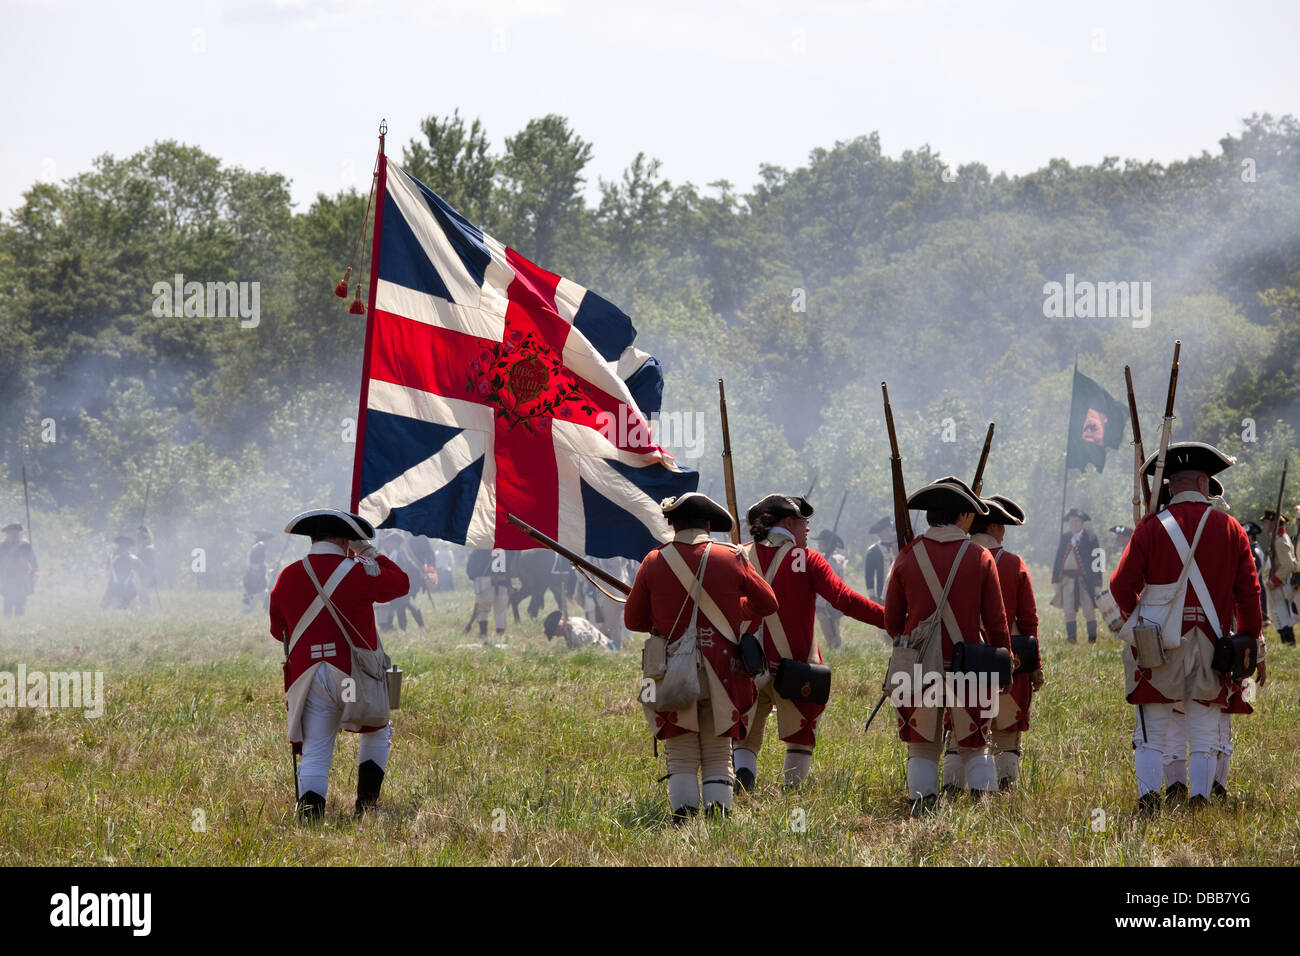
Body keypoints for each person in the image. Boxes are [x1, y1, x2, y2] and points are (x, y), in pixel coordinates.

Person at [1109, 442, 1262, 814]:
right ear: (1203, 482)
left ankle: (1149, 801)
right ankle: (1199, 801)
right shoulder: (1230, 528)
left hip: (1160, 643)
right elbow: (1249, 593)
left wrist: (1143, 624)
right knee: (1205, 733)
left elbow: (1119, 585)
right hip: (1214, 644)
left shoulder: (1150, 527)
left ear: (1172, 484)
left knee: (1151, 733)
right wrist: (1249, 639)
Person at [624, 492, 778, 822]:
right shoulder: (732, 556)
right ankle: (717, 819)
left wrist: (663, 615)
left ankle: (684, 821)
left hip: (671, 671)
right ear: (708, 524)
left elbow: (633, 621)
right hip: (725, 669)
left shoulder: (654, 561)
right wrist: (734, 613)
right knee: (719, 749)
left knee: (679, 751)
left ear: (673, 525)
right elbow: (768, 603)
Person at [269, 508, 409, 821]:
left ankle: (311, 820)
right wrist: (369, 552)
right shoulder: (360, 570)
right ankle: (366, 808)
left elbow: (278, 630)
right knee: (376, 730)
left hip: (308, 677)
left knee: (316, 750)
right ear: (346, 539)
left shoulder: (287, 575)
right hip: (352, 675)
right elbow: (400, 583)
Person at [735, 495, 884, 790]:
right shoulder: (809, 559)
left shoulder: (737, 555)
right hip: (795, 667)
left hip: (745, 662)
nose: (808, 530)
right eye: (805, 523)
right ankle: (793, 797)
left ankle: (743, 785)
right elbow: (844, 599)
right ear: (789, 522)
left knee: (744, 735)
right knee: (800, 738)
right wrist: (889, 619)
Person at [885, 477, 1010, 815]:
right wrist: (1004, 664)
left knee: (922, 747)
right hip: (970, 663)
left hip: (917, 666)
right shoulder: (980, 556)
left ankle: (922, 808)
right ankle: (983, 810)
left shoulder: (907, 556)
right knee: (975, 746)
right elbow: (996, 621)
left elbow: (892, 623)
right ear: (961, 517)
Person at [967, 495, 1043, 790]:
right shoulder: (1013, 563)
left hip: (966, 658)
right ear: (996, 526)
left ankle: (957, 787)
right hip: (1009, 657)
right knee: (1007, 732)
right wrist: (1036, 666)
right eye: (1004, 527)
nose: (1005, 533)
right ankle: (1004, 788)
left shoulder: (957, 559)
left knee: (964, 729)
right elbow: (1029, 619)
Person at [1052, 509, 1101, 643]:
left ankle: (1092, 639)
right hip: (1067, 580)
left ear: (1082, 523)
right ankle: (1071, 639)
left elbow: (1098, 560)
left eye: (1077, 521)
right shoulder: (1065, 537)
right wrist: (1055, 579)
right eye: (1071, 522)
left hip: (1086, 580)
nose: (1074, 524)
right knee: (1068, 609)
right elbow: (1058, 559)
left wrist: (1098, 582)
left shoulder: (1091, 537)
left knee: (1089, 609)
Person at [1259, 509, 1296, 646]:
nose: (1264, 524)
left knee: (1283, 619)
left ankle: (1289, 646)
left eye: (1267, 522)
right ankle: (1288, 645)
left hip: (1280, 586)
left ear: (1274, 523)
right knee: (1280, 618)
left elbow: (1288, 565)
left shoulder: (1280, 541)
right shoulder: (1276, 539)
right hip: (1277, 585)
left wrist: (1273, 581)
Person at [813, 528, 851, 650]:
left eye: (821, 542)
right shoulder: (828, 558)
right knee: (829, 634)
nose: (819, 544)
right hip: (828, 602)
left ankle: (836, 655)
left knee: (832, 635)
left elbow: (830, 585)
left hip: (828, 603)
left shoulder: (832, 560)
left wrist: (820, 603)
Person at [468, 547, 511, 642]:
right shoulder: (506, 548)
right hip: (503, 582)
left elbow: (470, 569)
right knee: (501, 612)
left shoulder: (479, 548)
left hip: (485, 581)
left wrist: (473, 576)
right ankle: (500, 638)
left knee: (483, 610)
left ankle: (483, 636)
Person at [0, 523, 38, 617]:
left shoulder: (25, 545)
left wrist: (34, 570)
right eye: (11, 533)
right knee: (8, 599)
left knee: (21, 600)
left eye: (15, 533)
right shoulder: (2, 546)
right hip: (7, 576)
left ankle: (19, 619)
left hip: (21, 576)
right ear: (7, 534)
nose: (14, 535)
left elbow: (32, 559)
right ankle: (8, 618)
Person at [101, 535, 143, 609]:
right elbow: (140, 567)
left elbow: (140, 567)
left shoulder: (113, 557)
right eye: (122, 546)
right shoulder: (115, 557)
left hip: (122, 588)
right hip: (119, 588)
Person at [544, 610, 618, 650]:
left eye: (555, 633)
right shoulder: (568, 627)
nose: (556, 636)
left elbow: (589, 639)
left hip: (605, 649)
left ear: (559, 627)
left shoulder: (575, 629)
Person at [864, 517, 896, 603]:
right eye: (887, 530)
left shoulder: (898, 546)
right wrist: (871, 595)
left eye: (890, 529)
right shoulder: (873, 551)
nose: (890, 532)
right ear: (880, 533)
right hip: (882, 594)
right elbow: (869, 574)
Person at [243, 531, 272, 614]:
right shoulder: (260, 547)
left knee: (260, 595)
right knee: (259, 595)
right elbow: (256, 564)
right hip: (255, 577)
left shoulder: (257, 548)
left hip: (255, 577)